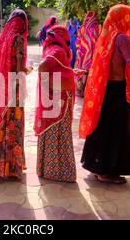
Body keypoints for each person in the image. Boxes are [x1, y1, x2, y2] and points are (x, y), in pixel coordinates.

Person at [79, 4, 130, 185]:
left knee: (103, 127)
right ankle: (106, 171)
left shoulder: (107, 35)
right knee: (116, 131)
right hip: (118, 91)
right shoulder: (122, 38)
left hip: (107, 89)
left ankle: (97, 165)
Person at [0, 9, 32, 180]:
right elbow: (20, 69)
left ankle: (0, 167)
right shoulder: (18, 39)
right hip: (15, 91)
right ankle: (12, 168)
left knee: (2, 124)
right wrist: (29, 69)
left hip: (1, 89)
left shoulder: (2, 39)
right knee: (14, 126)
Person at [34, 25, 82, 183]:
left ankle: (46, 169)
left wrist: (70, 71)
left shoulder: (52, 48)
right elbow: (43, 67)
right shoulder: (58, 50)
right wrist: (54, 86)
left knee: (50, 132)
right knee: (59, 132)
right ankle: (60, 172)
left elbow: (56, 68)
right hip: (59, 99)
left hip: (54, 98)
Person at [75, 11, 100, 96]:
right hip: (93, 53)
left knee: (82, 72)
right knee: (90, 72)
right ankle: (88, 91)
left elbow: (77, 44)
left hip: (82, 54)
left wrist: (80, 50)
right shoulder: (97, 28)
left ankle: (80, 91)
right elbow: (98, 41)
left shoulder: (82, 27)